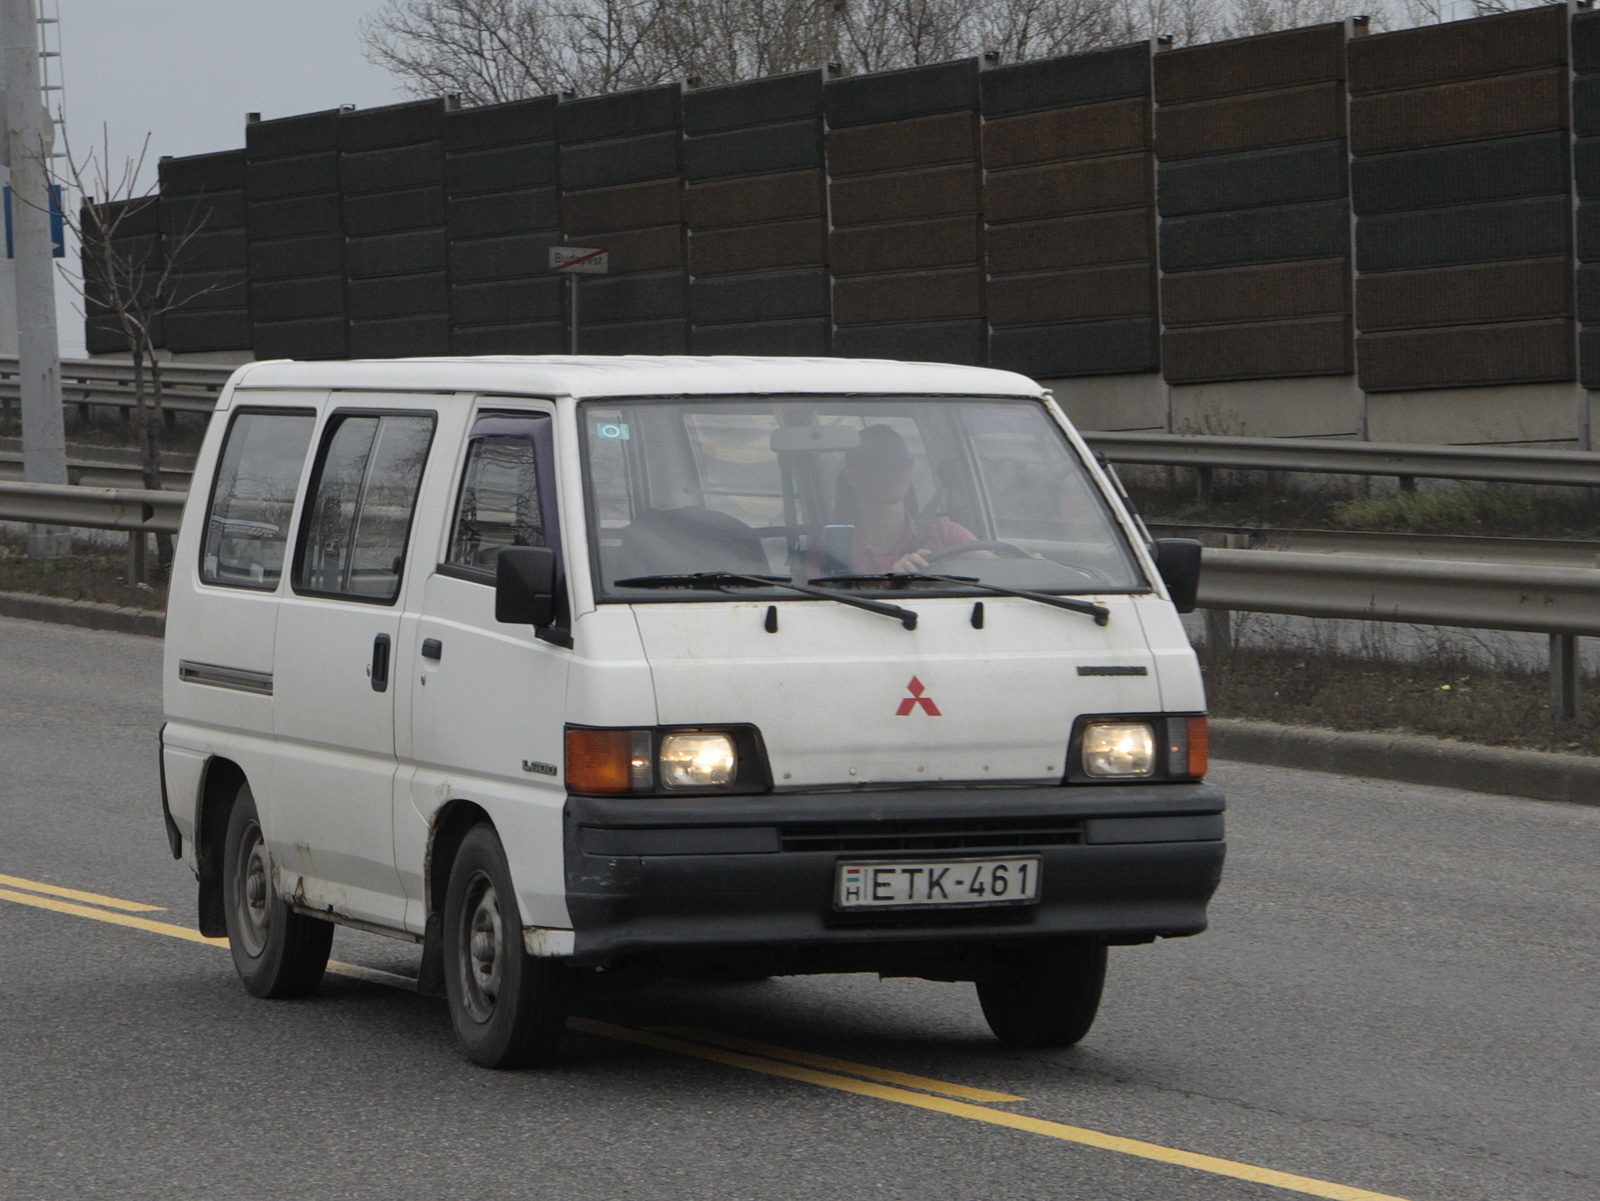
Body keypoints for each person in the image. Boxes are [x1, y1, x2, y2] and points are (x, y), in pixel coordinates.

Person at [823, 424, 980, 574]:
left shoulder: (945, 534)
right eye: (879, 461)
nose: (894, 469)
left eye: (903, 460)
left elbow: (992, 571)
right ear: (851, 476)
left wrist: (947, 572)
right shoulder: (833, 551)